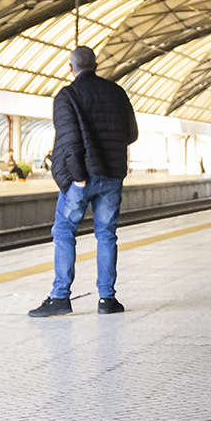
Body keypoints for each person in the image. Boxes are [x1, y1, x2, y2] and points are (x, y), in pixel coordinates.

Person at [30, 46, 139, 318]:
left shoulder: (67, 95)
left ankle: (60, 297)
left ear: (71, 68)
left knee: (64, 231)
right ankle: (107, 299)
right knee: (106, 234)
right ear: (96, 65)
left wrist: (78, 178)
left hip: (83, 177)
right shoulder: (117, 92)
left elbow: (68, 141)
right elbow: (131, 134)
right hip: (111, 175)